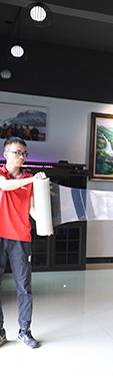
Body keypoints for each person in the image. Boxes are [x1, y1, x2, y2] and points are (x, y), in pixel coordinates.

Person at [0, 137, 48, 349]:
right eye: (17, 152)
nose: (21, 157)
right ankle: (0, 331)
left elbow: (31, 209)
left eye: (24, 153)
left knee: (24, 287)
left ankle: (24, 331)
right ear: (6, 154)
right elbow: (5, 186)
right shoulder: (2, 174)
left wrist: (46, 223)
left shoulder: (29, 179)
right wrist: (32, 180)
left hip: (21, 238)